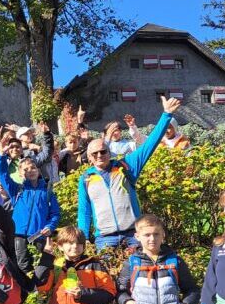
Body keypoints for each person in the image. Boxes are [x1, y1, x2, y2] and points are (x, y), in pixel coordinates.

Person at [77, 96, 181, 248]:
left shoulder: (125, 166)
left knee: (137, 272)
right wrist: (83, 238)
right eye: (95, 153)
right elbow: (84, 211)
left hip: (132, 235)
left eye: (103, 151)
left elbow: (150, 144)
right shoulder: (86, 178)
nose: (100, 155)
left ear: (109, 151)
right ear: (89, 158)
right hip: (105, 239)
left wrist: (166, 115)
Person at [0, 151, 60, 273]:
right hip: (19, 235)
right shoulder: (17, 190)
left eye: (33, 167)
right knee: (22, 265)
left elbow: (55, 214)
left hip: (39, 235)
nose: (30, 170)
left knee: (43, 264)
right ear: (20, 174)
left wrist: (49, 226)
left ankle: (42, 290)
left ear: (38, 170)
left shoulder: (47, 191)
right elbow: (3, 175)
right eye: (26, 169)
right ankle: (27, 290)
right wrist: (2, 156)